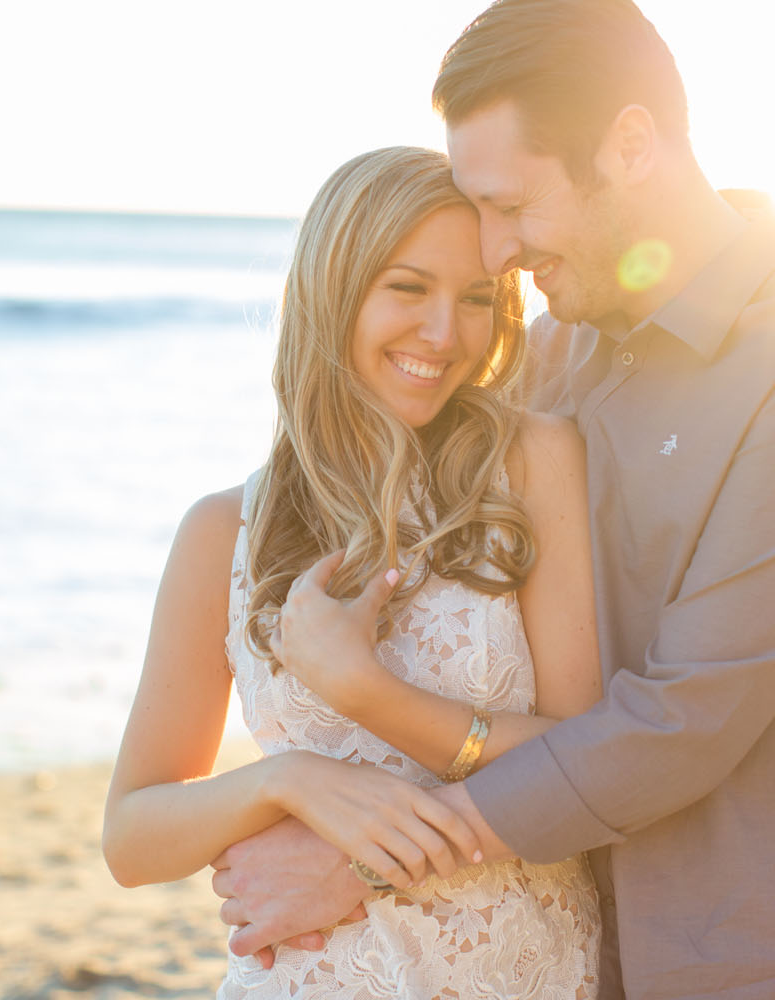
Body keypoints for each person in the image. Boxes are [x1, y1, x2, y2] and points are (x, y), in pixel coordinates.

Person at [210, 2, 775, 998]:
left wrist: (368, 860)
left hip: (764, 949)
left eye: (512, 205)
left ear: (630, 144)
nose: (496, 250)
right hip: (574, 950)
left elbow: (681, 718)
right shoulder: (552, 360)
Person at [102, 145, 604, 998]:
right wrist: (289, 783)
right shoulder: (225, 531)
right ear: (334, 289)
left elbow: (591, 764)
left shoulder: (530, 465)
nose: (445, 335)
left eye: (476, 299)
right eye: (408, 288)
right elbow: (133, 835)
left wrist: (365, 699)